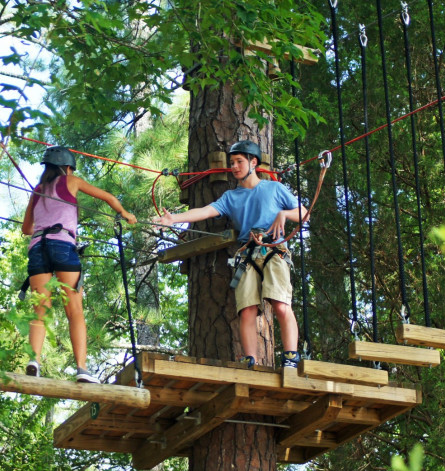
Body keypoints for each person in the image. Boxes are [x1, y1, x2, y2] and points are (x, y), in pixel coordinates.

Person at [154, 140, 304, 369]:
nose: (234, 167)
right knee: (246, 309)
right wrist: (174, 219)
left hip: (274, 251)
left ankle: (291, 357)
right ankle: (249, 361)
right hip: (248, 255)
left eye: (239, 162)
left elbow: (304, 213)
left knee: (280, 303)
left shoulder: (274, 188)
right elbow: (205, 211)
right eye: (232, 162)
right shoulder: (231, 197)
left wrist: (284, 214)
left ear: (254, 163)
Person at [22, 145, 137, 382]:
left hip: (38, 248)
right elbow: (108, 197)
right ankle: (82, 369)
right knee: (74, 311)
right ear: (67, 168)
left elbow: (26, 229)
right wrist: (125, 213)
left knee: (40, 310)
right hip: (62, 245)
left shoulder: (38, 189)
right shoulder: (71, 181)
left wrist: (44, 226)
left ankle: (34, 360)